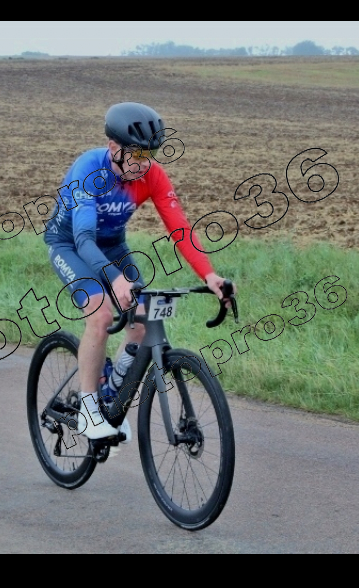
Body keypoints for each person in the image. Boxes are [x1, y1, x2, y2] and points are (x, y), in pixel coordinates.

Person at [45, 102, 234, 443]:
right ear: (113, 148)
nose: (144, 163)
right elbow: (84, 239)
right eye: (137, 155)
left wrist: (209, 275)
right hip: (71, 244)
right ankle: (88, 409)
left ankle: (111, 397)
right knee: (101, 313)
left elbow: (180, 229)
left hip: (113, 247)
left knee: (143, 318)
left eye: (150, 155)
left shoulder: (152, 175)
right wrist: (115, 279)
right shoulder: (88, 170)